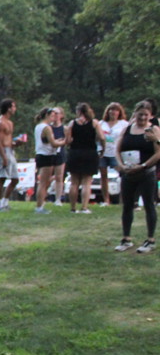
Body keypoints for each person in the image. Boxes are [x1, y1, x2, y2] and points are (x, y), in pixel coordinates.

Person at [113, 101, 160, 253]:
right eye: (140, 115)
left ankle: (150, 240)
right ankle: (126, 238)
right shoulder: (127, 129)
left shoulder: (153, 130)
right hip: (128, 172)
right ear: (135, 114)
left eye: (146, 115)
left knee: (149, 204)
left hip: (146, 172)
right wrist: (121, 165)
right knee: (127, 205)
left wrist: (144, 165)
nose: (143, 118)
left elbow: (158, 152)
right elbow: (117, 149)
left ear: (150, 116)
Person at [64, 103, 104, 214]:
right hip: (90, 152)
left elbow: (68, 141)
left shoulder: (72, 123)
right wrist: (103, 148)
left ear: (78, 112)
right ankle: (84, 207)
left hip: (75, 152)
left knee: (74, 182)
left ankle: (73, 208)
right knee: (87, 182)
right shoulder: (94, 123)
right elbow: (102, 137)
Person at [33, 107, 65, 214]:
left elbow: (45, 141)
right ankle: (39, 207)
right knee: (43, 183)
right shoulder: (47, 128)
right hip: (46, 155)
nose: (53, 118)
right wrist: (64, 141)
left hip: (40, 154)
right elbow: (53, 144)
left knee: (44, 182)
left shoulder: (38, 126)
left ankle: (41, 204)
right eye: (51, 116)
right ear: (47, 115)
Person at [0, 99, 21, 211]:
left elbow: (8, 140)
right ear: (8, 108)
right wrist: (3, 157)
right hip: (3, 151)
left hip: (10, 150)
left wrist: (16, 143)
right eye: (13, 107)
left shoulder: (10, 123)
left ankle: (5, 202)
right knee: (2, 178)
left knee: (15, 179)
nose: (15, 109)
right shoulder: (0, 123)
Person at [98, 102, 128, 207]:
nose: (113, 112)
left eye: (116, 110)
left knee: (123, 174)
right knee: (103, 176)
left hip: (116, 152)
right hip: (103, 152)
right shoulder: (101, 123)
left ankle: (123, 199)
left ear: (119, 112)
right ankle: (106, 200)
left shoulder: (123, 124)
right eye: (111, 109)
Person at [51, 107, 67, 205]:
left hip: (60, 153)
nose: (55, 115)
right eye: (53, 113)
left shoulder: (64, 128)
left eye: (57, 113)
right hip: (49, 153)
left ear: (61, 115)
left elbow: (67, 140)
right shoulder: (48, 127)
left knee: (59, 176)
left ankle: (58, 198)